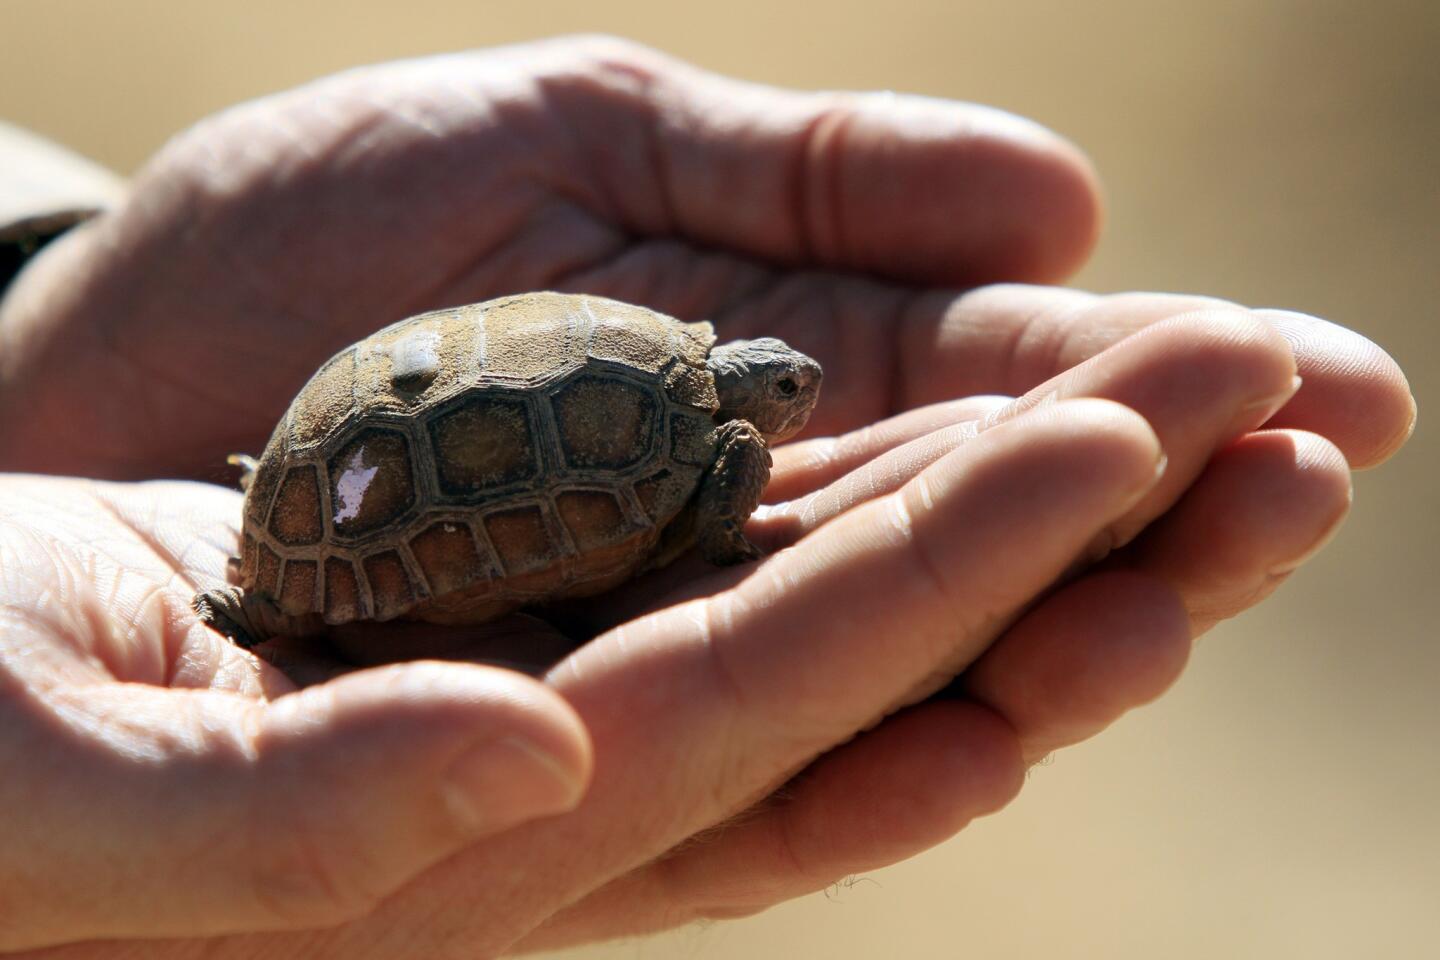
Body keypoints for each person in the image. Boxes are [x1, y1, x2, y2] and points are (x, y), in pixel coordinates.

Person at [0, 35, 1414, 958]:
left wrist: (38, 285)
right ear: (750, 392)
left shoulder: (650, 357)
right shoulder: (709, 430)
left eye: (789, 395)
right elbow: (690, 488)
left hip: (315, 470)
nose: (791, 413)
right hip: (335, 498)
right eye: (781, 398)